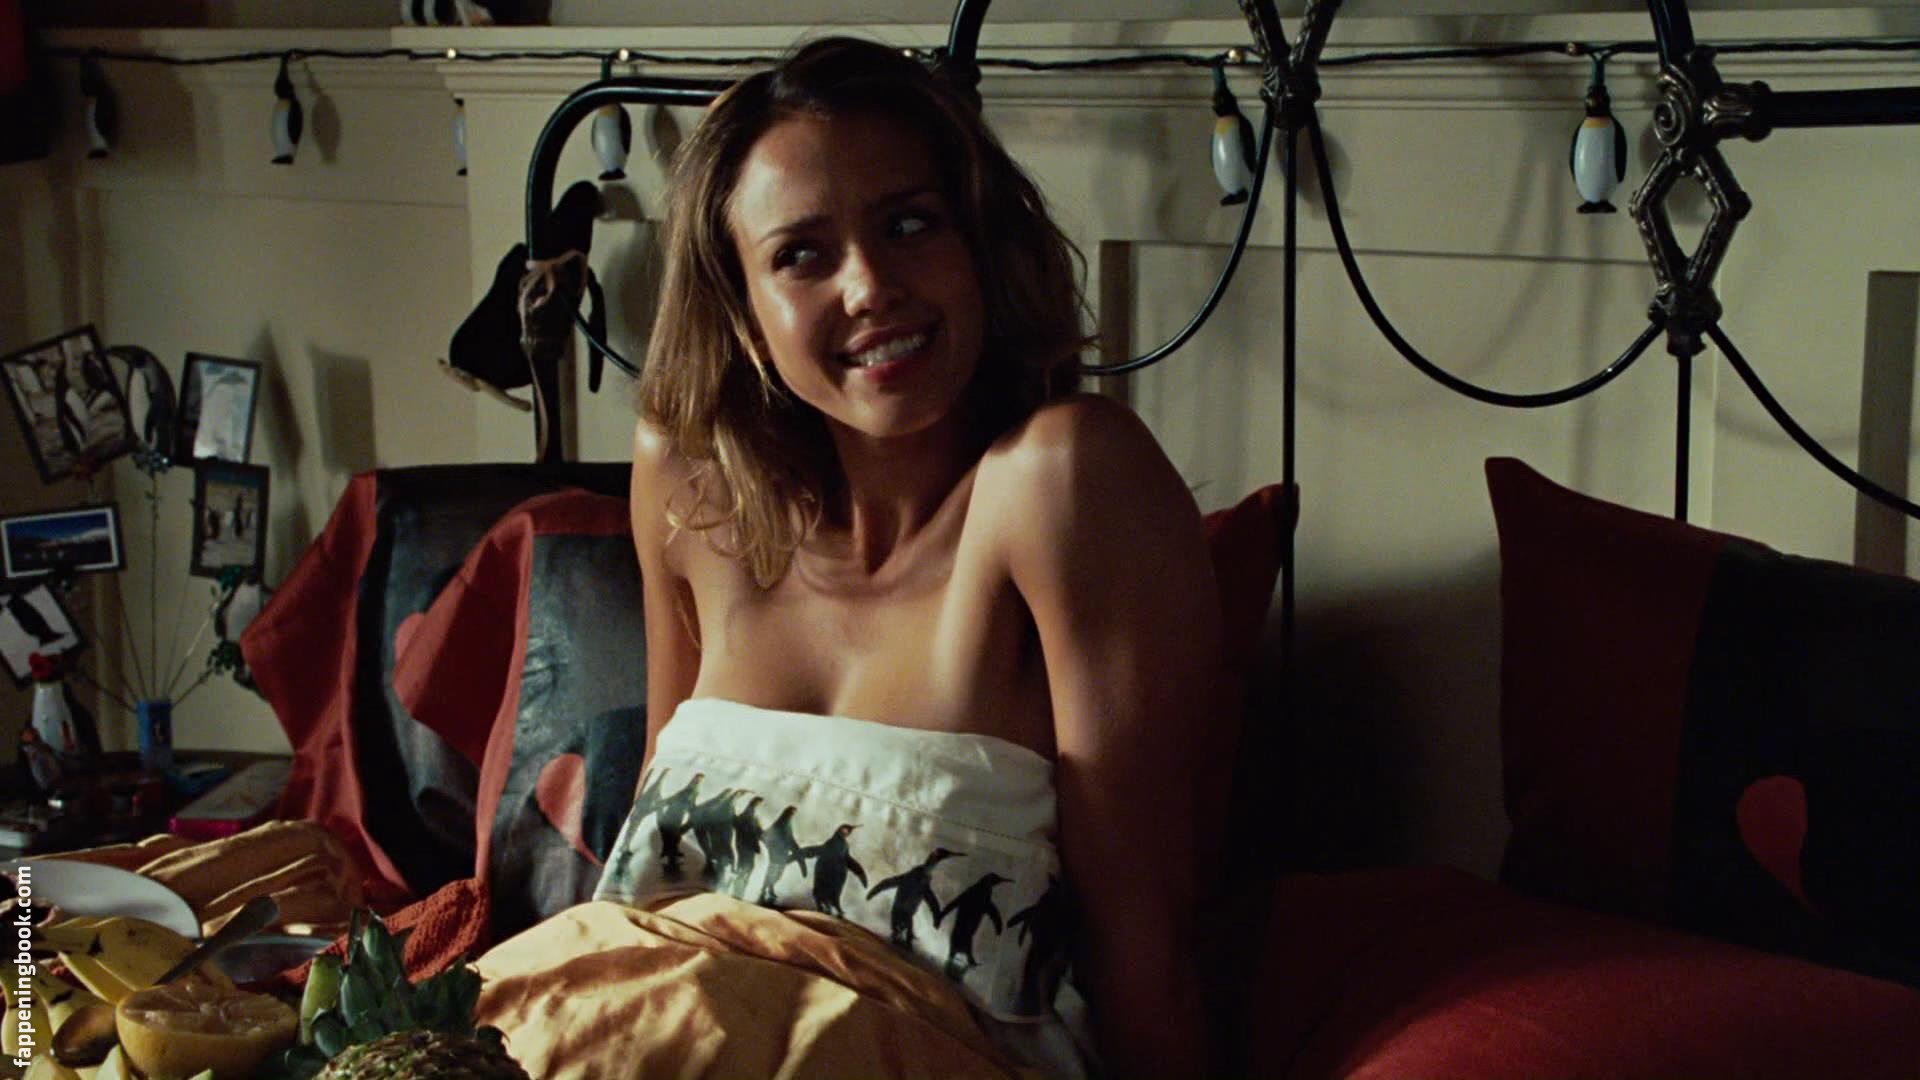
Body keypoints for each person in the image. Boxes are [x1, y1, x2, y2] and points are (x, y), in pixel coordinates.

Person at [609, 36, 1222, 1077]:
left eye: (908, 225)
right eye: (801, 255)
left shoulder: (1061, 483)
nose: (870, 286)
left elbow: (1144, 951)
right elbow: (641, 890)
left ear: (979, 242)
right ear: (744, 311)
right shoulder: (688, 483)